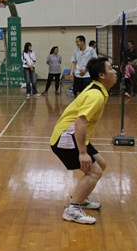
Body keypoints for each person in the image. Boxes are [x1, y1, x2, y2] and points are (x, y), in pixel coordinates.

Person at [49, 57, 117, 224]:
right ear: (101, 75)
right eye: (110, 68)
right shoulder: (96, 95)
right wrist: (82, 152)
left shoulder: (98, 89)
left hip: (73, 135)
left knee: (100, 164)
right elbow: (80, 122)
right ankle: (72, 210)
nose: (115, 71)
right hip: (66, 138)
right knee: (95, 172)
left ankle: (80, 197)